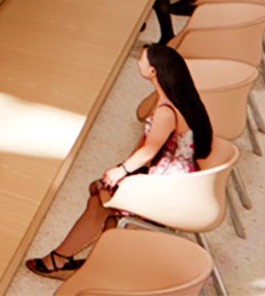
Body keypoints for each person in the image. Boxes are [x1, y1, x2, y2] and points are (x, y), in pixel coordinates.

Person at [27, 45, 213, 277]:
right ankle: (96, 258)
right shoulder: (176, 99)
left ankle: (62, 259)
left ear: (153, 71)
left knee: (100, 199)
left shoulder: (167, 111)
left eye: (143, 59)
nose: (139, 61)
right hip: (174, 175)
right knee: (101, 192)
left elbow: (148, 150)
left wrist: (121, 170)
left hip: (166, 187)